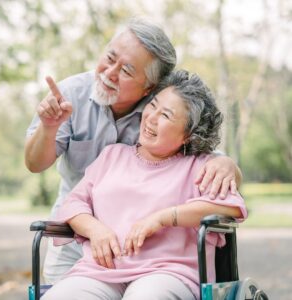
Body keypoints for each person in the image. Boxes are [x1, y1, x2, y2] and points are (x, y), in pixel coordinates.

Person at [25, 18, 242, 284]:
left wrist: (227, 164)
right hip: (75, 229)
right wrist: (49, 128)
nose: (109, 73)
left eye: (126, 71)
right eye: (109, 58)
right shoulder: (70, 94)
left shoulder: (159, 105)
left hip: (144, 248)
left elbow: (202, 153)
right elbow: (34, 164)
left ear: (149, 88)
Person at [41, 70, 247, 300]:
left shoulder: (202, 167)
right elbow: (73, 204)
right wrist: (95, 229)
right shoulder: (112, 155)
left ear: (188, 134)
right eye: (153, 105)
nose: (151, 117)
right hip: (100, 271)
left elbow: (230, 208)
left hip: (167, 273)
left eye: (166, 116)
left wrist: (164, 217)